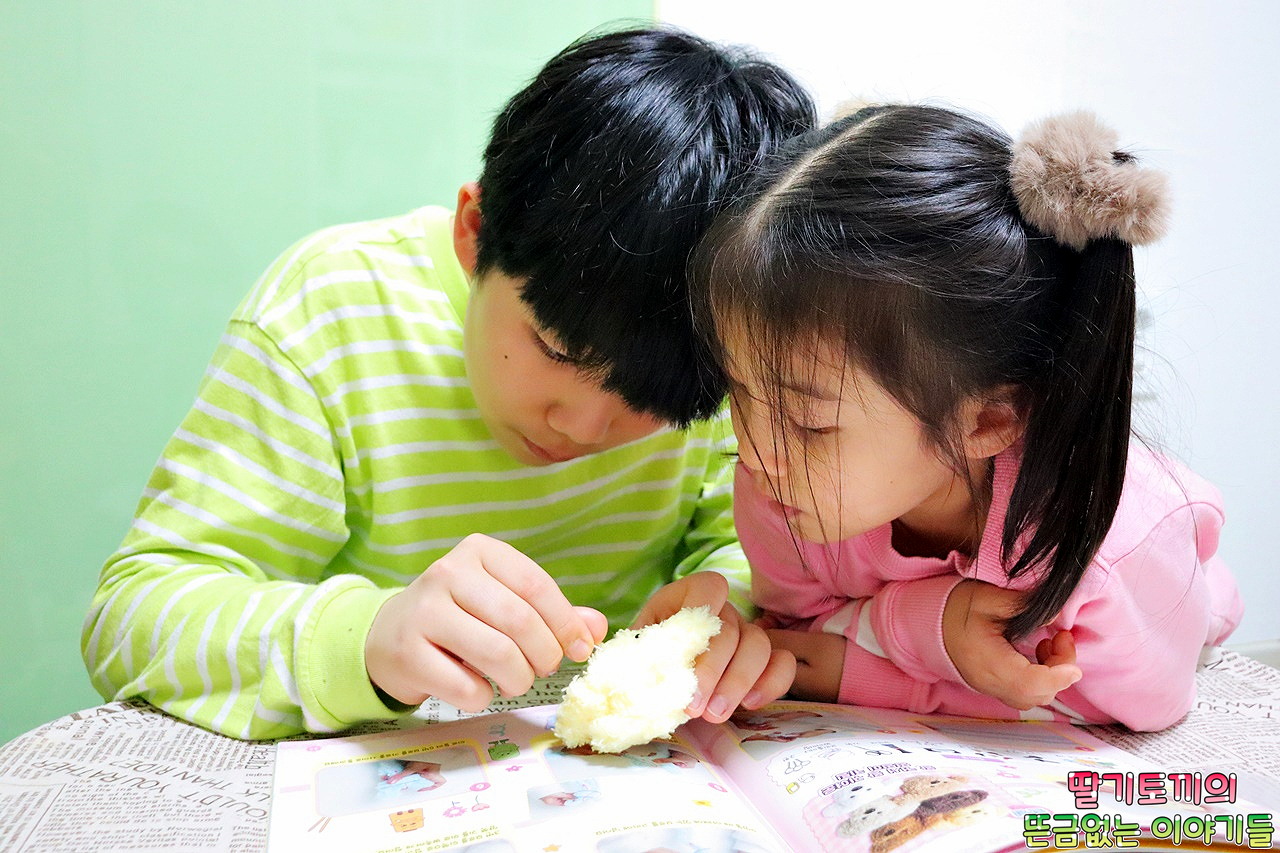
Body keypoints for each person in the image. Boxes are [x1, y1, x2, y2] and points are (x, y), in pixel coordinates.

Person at [81, 26, 816, 739]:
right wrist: (367, 638)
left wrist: (728, 615)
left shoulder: (730, 341)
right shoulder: (328, 311)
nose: (584, 427)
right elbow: (130, 618)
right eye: (557, 349)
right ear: (473, 230)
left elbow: (744, 553)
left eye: (654, 400)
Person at [688, 104, 1242, 731]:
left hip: (1176, 600)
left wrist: (909, 638)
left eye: (808, 422)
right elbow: (798, 635)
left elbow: (1124, 708)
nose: (754, 452)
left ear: (986, 421)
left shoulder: (1110, 557)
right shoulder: (784, 490)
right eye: (740, 393)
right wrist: (935, 626)